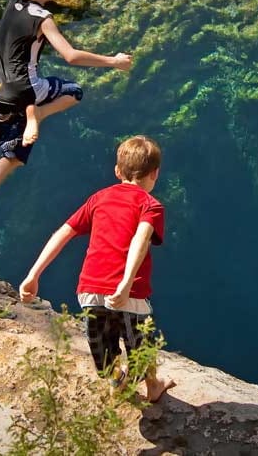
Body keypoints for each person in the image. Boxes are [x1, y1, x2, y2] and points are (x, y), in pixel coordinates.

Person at [0, 0, 133, 235]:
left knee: (14, 151)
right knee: (74, 92)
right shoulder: (43, 19)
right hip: (26, 89)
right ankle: (37, 116)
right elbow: (70, 55)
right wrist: (113, 61)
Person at [18, 135, 176, 402]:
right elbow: (141, 239)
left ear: (117, 171)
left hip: (89, 289)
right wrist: (125, 284)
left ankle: (117, 381)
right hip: (130, 293)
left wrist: (33, 274)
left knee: (103, 349)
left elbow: (63, 233)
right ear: (155, 174)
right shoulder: (151, 206)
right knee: (141, 344)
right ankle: (152, 386)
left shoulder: (99, 198)